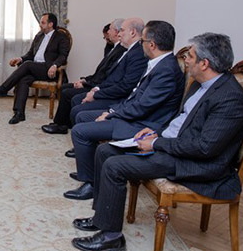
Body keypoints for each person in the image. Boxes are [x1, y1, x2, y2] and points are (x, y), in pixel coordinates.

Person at [71, 33, 243, 251]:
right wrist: (156, 131)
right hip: (173, 144)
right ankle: (102, 218)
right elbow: (181, 119)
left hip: (194, 162)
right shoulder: (200, 85)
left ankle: (112, 238)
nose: (185, 60)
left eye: (190, 56)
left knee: (114, 166)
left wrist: (156, 143)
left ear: (204, 64)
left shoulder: (230, 98)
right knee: (105, 150)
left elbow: (205, 148)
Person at [64, 20, 185, 200]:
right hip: (133, 116)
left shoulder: (166, 70)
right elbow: (135, 98)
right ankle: (91, 173)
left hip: (143, 125)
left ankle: (91, 184)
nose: (141, 45)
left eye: (143, 41)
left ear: (152, 45)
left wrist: (112, 114)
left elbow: (143, 106)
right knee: (83, 117)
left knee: (80, 131)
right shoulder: (160, 64)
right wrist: (113, 111)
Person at [0, 13, 71, 124]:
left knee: (28, 64)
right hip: (35, 68)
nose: (40, 25)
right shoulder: (39, 36)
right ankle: (19, 113)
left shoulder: (61, 36)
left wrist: (54, 66)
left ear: (50, 24)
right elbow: (30, 54)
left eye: (43, 22)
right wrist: (20, 59)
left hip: (49, 70)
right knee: (23, 79)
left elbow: (63, 55)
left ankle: (3, 89)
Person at [42, 19, 126, 135]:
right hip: (95, 82)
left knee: (67, 93)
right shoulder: (113, 48)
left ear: (116, 32)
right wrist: (85, 80)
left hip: (100, 86)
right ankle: (63, 122)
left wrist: (86, 83)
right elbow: (100, 73)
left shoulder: (120, 51)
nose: (108, 32)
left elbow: (105, 76)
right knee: (65, 87)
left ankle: (61, 125)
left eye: (110, 29)